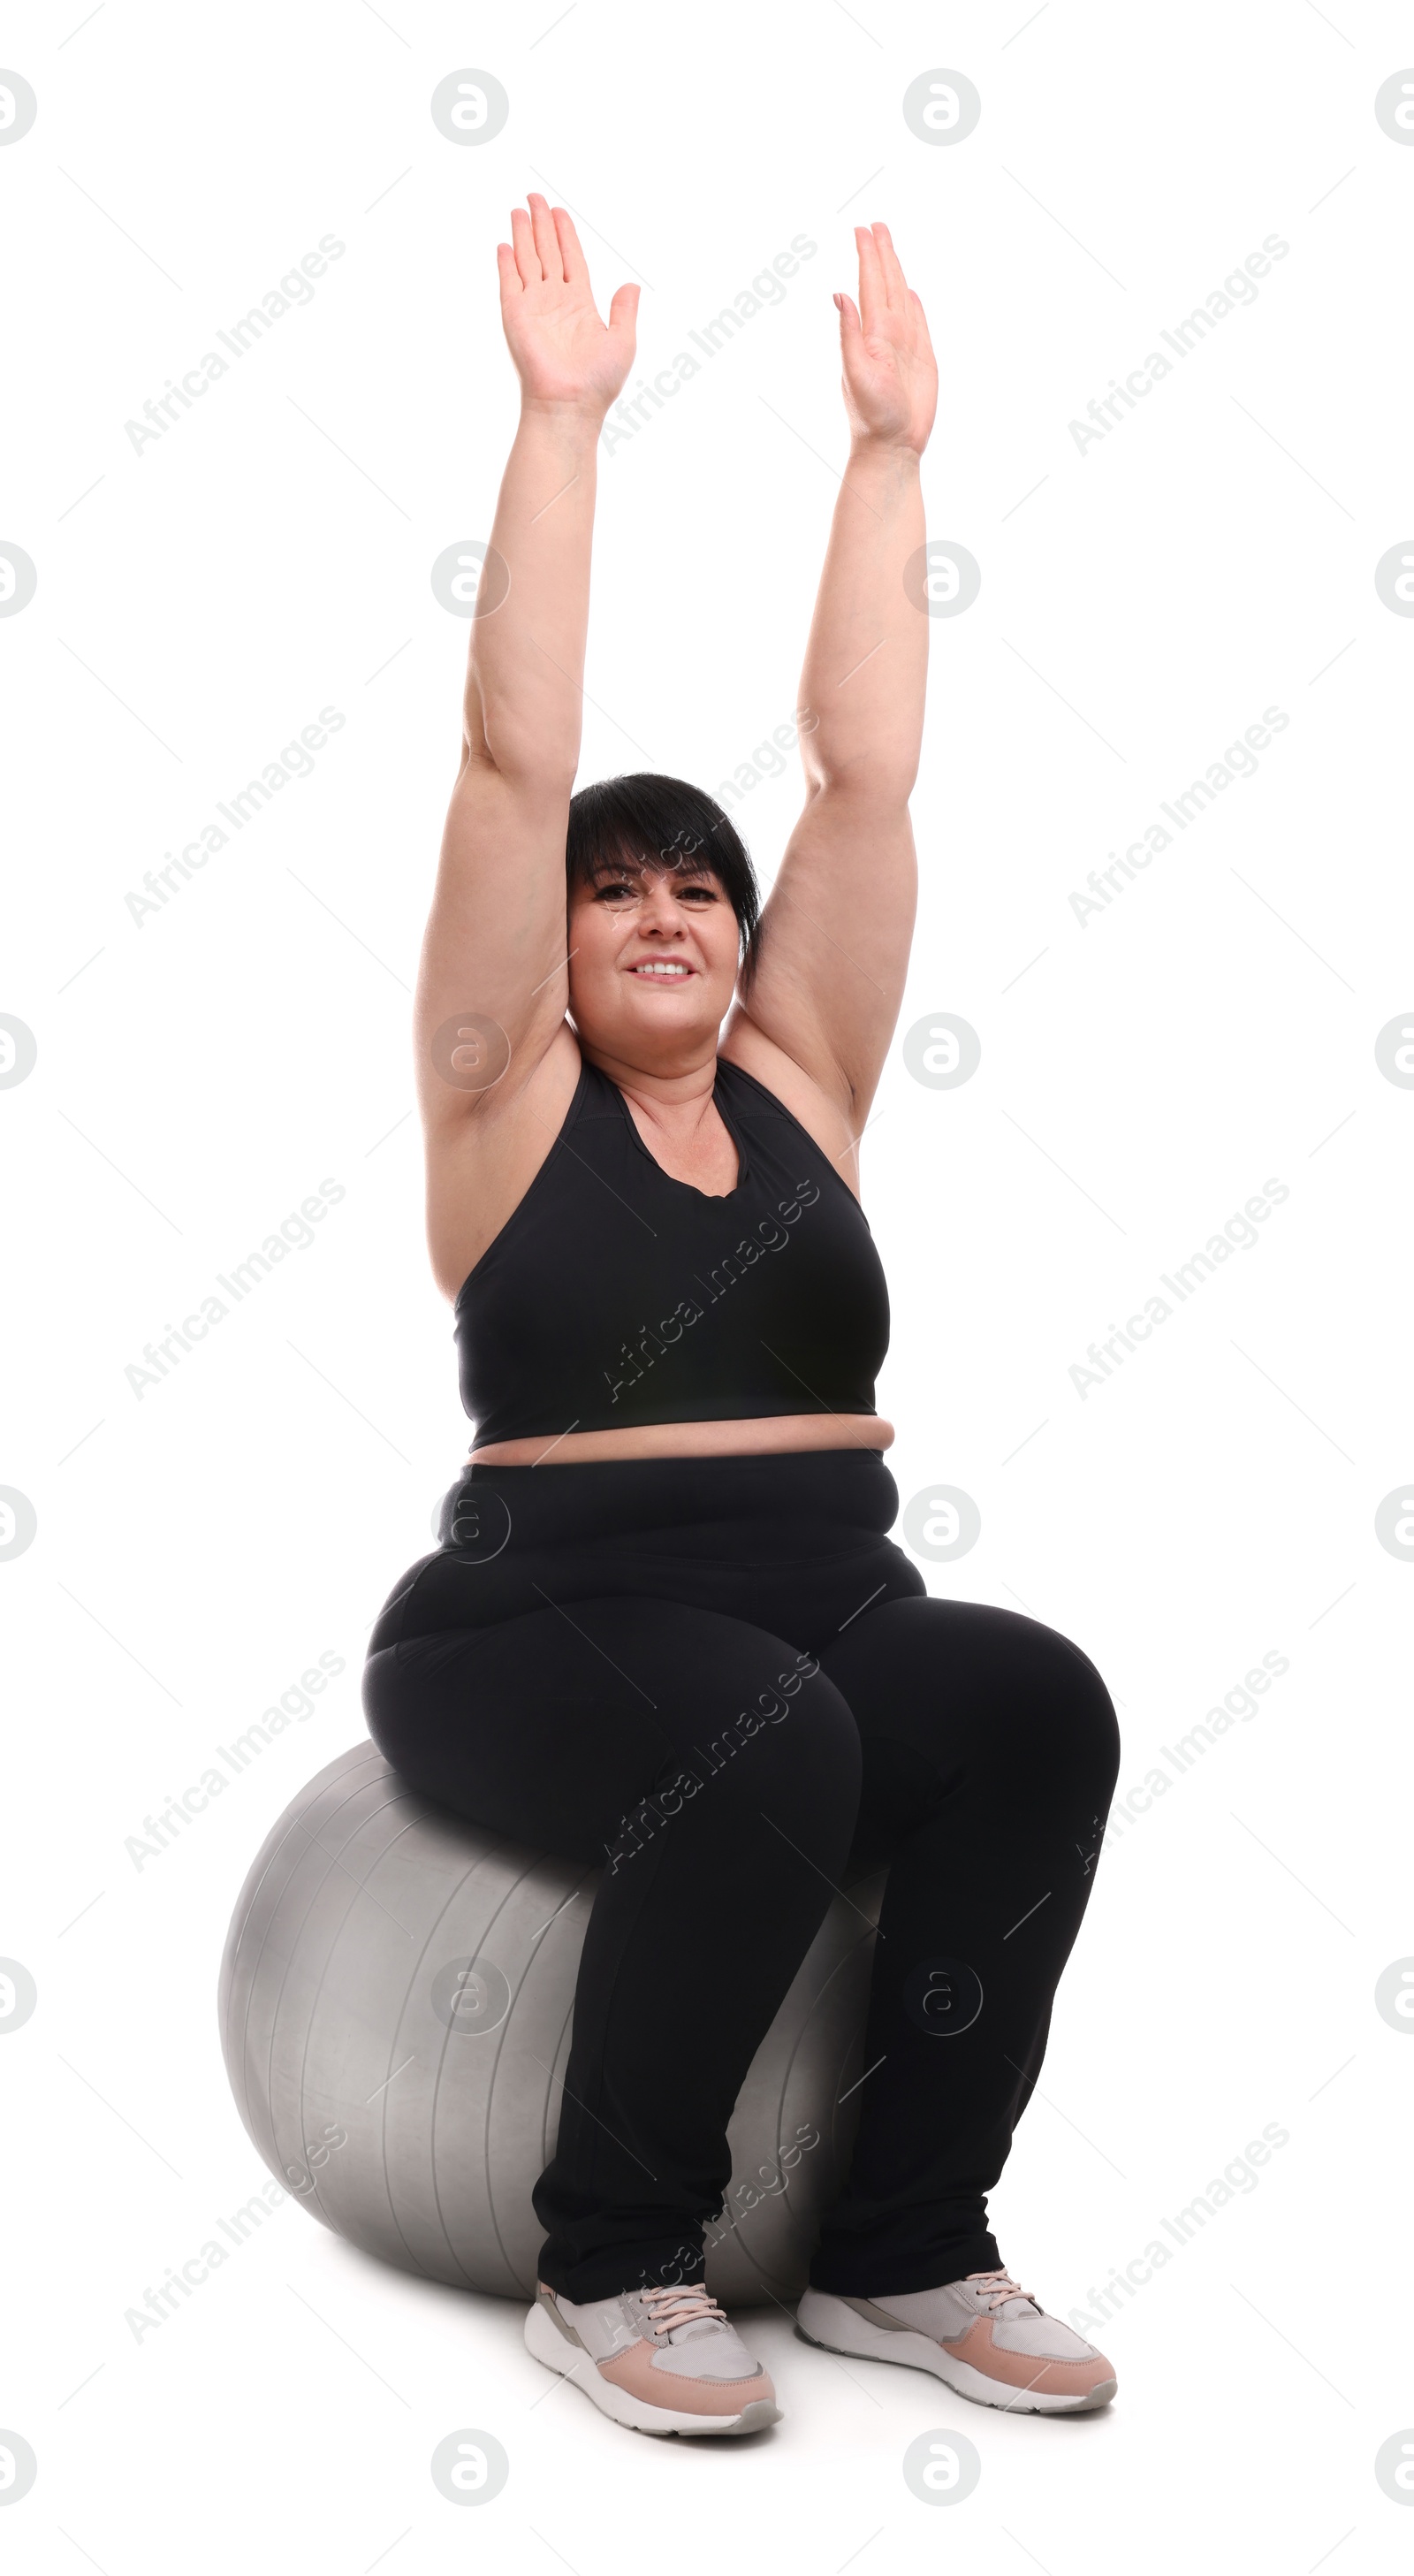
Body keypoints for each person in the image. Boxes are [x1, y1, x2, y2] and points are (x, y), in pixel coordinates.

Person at [361, 194, 1121, 2440]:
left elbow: (862, 780)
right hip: (537, 1626)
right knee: (761, 1737)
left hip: (822, 1603)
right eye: (619, 891)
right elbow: (512, 762)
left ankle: (904, 2242)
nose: (668, 909)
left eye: (698, 880)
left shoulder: (801, 1085)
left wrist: (886, 462)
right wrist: (561, 421)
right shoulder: (501, 1103)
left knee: (1034, 1699)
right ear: (560, 953)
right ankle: (610, 2267)